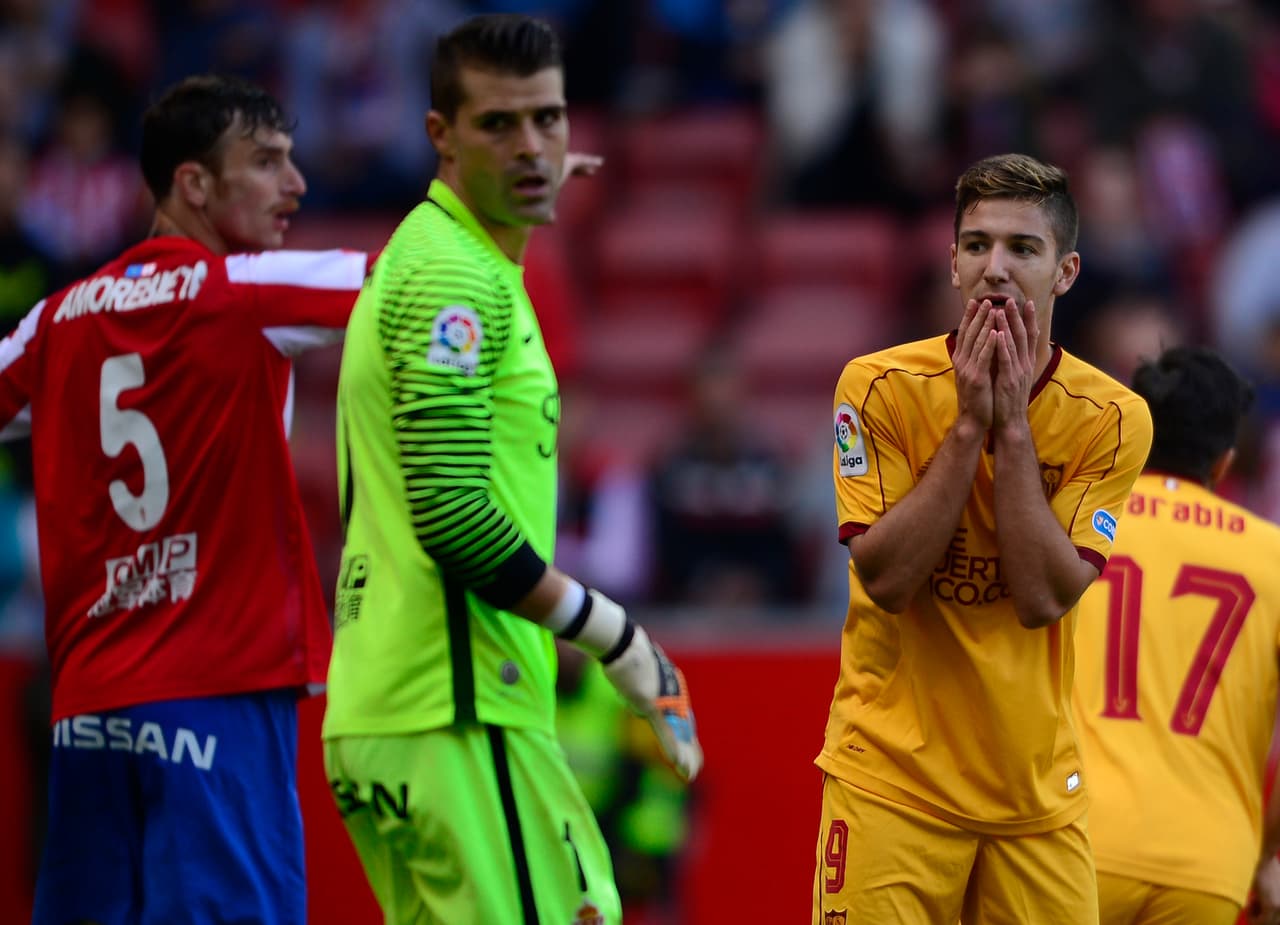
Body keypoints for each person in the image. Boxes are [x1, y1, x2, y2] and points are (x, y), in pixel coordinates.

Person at [321, 14, 703, 925]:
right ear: (439, 137)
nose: (531, 146)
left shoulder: (436, 257)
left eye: (549, 120)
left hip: (395, 709)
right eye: (498, 125)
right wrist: (620, 639)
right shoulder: (459, 280)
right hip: (458, 707)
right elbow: (453, 515)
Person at [0, 74, 372, 924]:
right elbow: (414, 284)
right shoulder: (247, 289)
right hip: (220, 684)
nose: (297, 184)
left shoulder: (57, 319)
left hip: (89, 705)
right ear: (192, 184)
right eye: (269, 161)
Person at [812, 152, 1153, 924]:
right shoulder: (875, 387)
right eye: (977, 245)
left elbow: (1040, 598)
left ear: (1064, 272)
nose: (995, 268)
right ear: (954, 263)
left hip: (1033, 795)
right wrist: (968, 427)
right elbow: (888, 581)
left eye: (1022, 249)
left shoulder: (1112, 417)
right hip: (890, 780)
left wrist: (1014, 431)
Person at [1072, 345, 1280, 925]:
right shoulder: (1274, 559)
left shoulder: (1076, 530)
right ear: (1224, 463)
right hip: (1211, 864)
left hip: (1078, 843)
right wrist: (1269, 855)